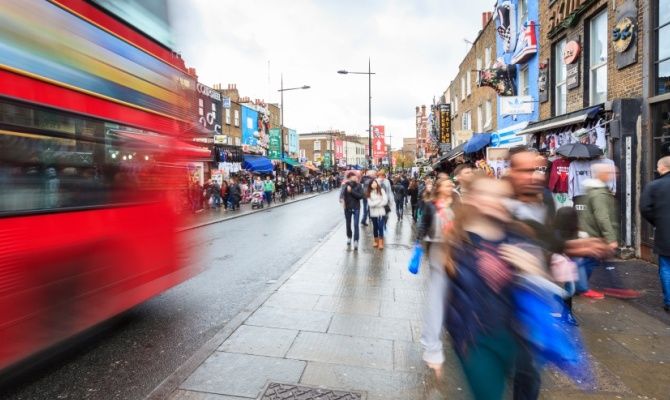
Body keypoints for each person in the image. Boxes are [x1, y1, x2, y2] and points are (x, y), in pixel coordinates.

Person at [444, 176, 546, 400]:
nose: (496, 201)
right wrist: (433, 347)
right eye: (488, 195)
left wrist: (533, 271)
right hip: (476, 340)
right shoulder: (456, 240)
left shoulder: (521, 236)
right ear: (472, 199)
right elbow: (439, 295)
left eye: (503, 196)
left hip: (519, 338)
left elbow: (548, 291)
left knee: (528, 388)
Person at [579, 163, 640, 299]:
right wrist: (610, 238)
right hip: (597, 236)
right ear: (602, 174)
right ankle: (579, 287)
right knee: (589, 262)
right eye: (610, 173)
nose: (613, 176)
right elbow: (602, 217)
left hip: (596, 235)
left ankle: (615, 287)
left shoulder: (597, 190)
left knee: (602, 262)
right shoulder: (599, 193)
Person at [416, 178, 455, 377]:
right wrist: (418, 244)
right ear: (439, 189)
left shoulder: (458, 204)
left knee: (449, 296)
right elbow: (423, 226)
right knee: (437, 297)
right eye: (447, 184)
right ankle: (432, 346)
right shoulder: (432, 206)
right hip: (438, 252)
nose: (451, 186)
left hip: (455, 253)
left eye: (451, 184)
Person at [640, 156, 670, 312]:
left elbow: (645, 208)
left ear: (663, 168)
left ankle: (669, 301)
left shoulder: (654, 185)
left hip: (665, 233)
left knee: (666, 267)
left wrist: (658, 222)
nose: (657, 169)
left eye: (658, 167)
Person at [340, 171, 364, 250]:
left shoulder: (359, 186)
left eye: (356, 176)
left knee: (356, 224)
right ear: (349, 177)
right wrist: (342, 201)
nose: (355, 177)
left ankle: (356, 240)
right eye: (353, 176)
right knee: (348, 224)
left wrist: (351, 191)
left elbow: (361, 196)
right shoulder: (345, 185)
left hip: (356, 207)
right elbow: (341, 196)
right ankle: (349, 237)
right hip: (347, 207)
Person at [366, 179, 388, 249]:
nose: (374, 184)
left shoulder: (382, 190)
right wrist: (379, 200)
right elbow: (370, 204)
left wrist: (375, 203)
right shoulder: (369, 192)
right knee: (375, 227)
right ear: (370, 185)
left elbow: (385, 201)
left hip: (381, 212)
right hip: (373, 213)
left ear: (377, 183)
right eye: (372, 183)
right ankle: (376, 240)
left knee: (381, 227)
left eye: (375, 183)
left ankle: (381, 242)